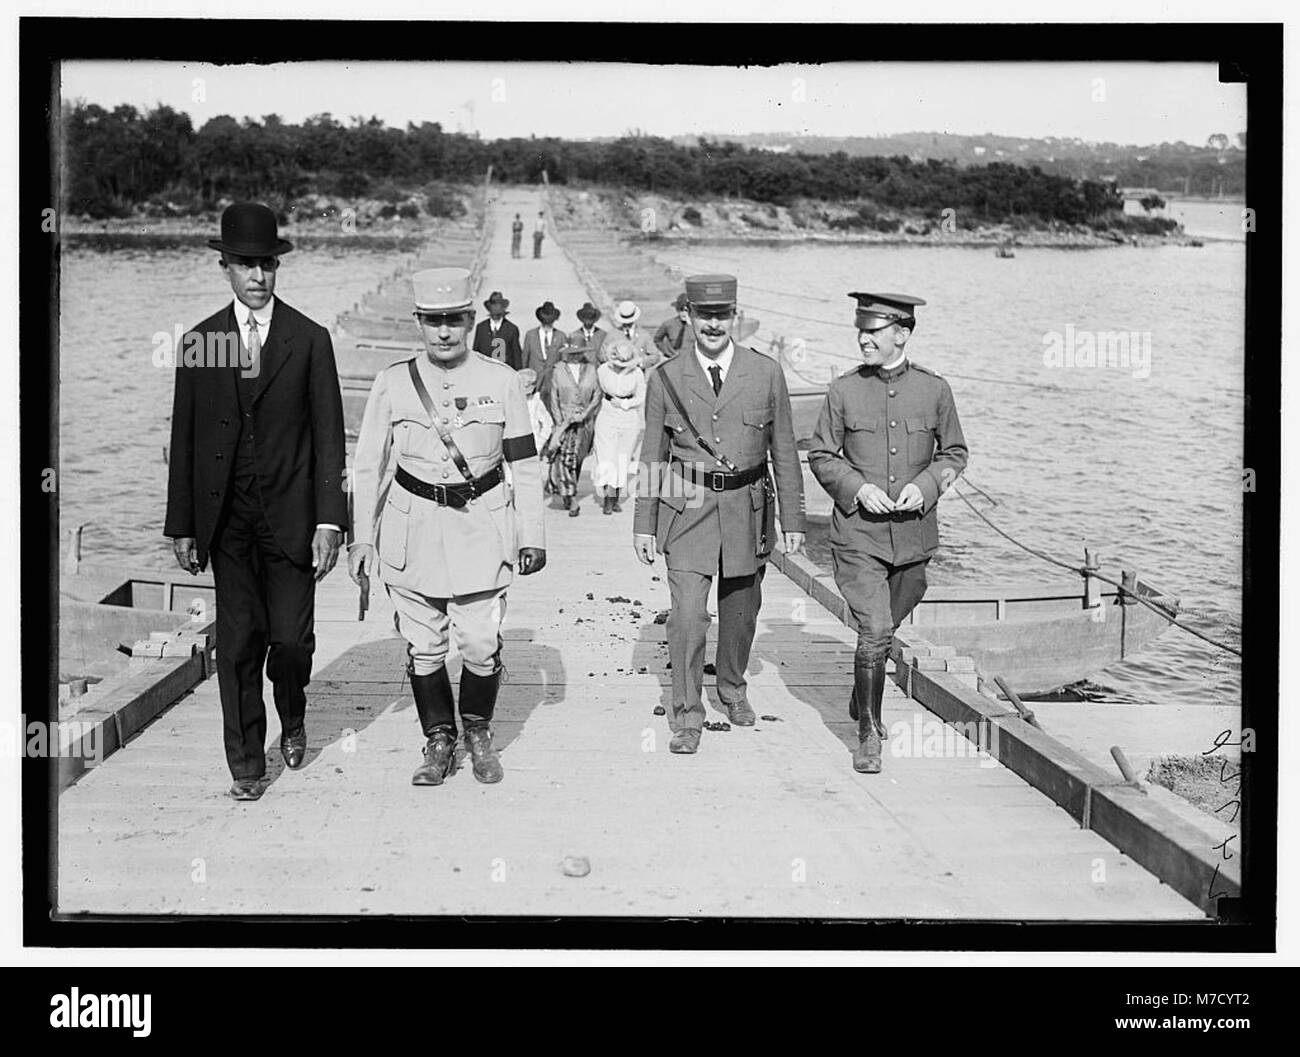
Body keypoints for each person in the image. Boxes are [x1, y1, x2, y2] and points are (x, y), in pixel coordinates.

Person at [164, 202, 347, 801]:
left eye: (266, 264)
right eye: (245, 265)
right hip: (227, 522)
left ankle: (292, 714)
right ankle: (246, 766)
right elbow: (184, 439)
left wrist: (330, 520)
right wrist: (183, 525)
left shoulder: (309, 340)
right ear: (225, 267)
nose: (257, 276)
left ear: (277, 266)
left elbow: (329, 438)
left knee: (290, 643)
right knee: (239, 643)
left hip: (293, 519)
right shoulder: (201, 342)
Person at [348, 267, 546, 786]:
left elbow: (523, 464)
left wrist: (533, 536)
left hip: (481, 526)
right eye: (433, 321)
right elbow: (368, 464)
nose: (443, 332)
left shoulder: (501, 382)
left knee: (480, 643)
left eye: (453, 320)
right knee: (423, 645)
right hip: (411, 532)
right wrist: (362, 538)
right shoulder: (393, 382)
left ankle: (477, 729)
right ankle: (439, 738)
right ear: (419, 322)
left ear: (470, 320)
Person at [633, 274, 805, 754]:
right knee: (687, 615)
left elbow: (785, 452)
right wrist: (644, 524)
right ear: (688, 315)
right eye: (703, 314)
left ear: (735, 316)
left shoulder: (766, 373)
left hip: (747, 509)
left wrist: (793, 519)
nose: (712, 324)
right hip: (685, 509)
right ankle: (686, 713)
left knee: (741, 611)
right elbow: (652, 456)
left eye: (722, 315)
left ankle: (731, 687)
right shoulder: (665, 377)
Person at [806, 292, 968, 773]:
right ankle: (868, 734)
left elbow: (955, 453)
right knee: (874, 629)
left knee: (888, 624)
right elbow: (821, 455)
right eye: (860, 330)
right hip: (858, 536)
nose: (863, 339)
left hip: (914, 539)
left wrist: (927, 486)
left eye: (873, 332)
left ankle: (863, 696)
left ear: (901, 333)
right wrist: (856, 489)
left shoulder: (934, 390)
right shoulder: (843, 390)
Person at [544, 336, 602, 517]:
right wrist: (560, 421)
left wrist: (587, 413)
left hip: (585, 423)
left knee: (578, 459)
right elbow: (553, 396)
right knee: (566, 460)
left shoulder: (591, 370)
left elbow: (597, 395)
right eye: (572, 354)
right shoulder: (558, 370)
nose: (575, 357)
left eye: (578, 353)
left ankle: (568, 490)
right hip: (565, 423)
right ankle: (572, 498)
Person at [592, 336, 646, 515]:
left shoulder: (637, 373)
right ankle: (608, 497)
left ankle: (615, 497)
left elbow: (641, 396)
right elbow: (595, 391)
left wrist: (625, 404)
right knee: (607, 457)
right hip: (607, 415)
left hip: (628, 417)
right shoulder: (602, 370)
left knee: (622, 458)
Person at [522, 300, 569, 400]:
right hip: (533, 382)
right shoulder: (530, 335)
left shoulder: (561, 336)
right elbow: (525, 359)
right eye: (545, 318)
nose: (547, 321)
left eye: (550, 319)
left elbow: (565, 361)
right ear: (540, 319)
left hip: (553, 382)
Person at [472, 290, 523, 370]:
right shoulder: (481, 328)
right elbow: (475, 353)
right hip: (484, 372)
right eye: (493, 306)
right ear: (489, 309)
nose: (495, 310)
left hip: (505, 373)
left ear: (503, 310)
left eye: (498, 306)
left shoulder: (511, 329)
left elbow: (517, 356)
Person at [608, 299, 663, 369]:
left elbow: (655, 355)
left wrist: (641, 362)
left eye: (629, 322)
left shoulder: (644, 335)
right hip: (617, 375)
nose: (627, 324)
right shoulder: (613, 334)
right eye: (624, 322)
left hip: (637, 374)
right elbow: (602, 355)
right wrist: (616, 359)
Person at [652, 293, 692, 361]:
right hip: (674, 359)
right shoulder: (669, 324)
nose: (684, 314)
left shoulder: (696, 325)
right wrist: (667, 352)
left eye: (686, 311)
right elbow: (657, 340)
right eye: (681, 310)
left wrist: (690, 326)